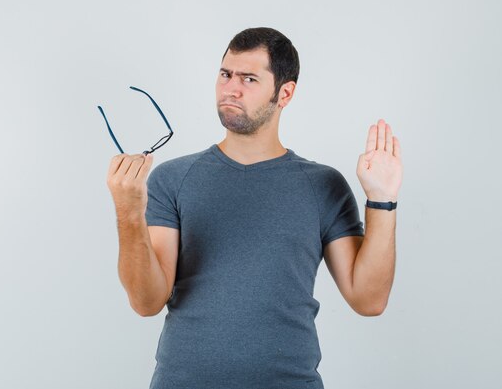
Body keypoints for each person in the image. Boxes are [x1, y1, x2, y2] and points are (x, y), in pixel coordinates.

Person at [105, 27, 403, 389]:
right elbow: (146, 301)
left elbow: (368, 300)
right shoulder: (173, 178)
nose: (231, 89)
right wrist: (129, 211)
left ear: (285, 93)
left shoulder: (322, 185)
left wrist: (382, 199)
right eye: (225, 74)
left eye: (249, 78)